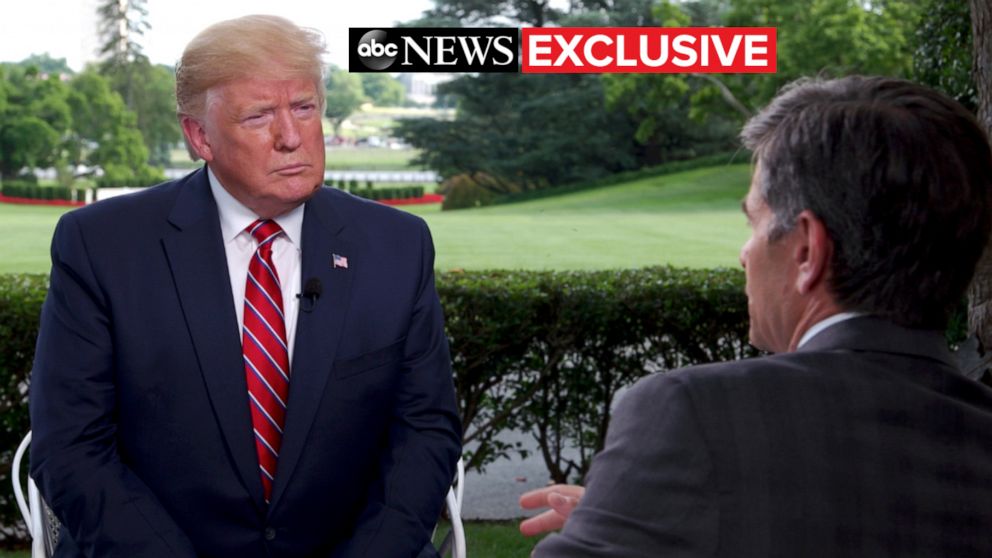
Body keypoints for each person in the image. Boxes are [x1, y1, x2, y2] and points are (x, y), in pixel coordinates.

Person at [29, 15, 460, 558]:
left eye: (304, 108)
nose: (290, 137)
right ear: (199, 136)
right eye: (259, 116)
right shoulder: (100, 246)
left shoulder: (397, 244)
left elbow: (425, 431)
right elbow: (70, 447)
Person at [520, 76, 992, 556]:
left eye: (755, 222)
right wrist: (627, 514)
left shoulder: (691, 412)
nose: (745, 254)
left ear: (807, 249)